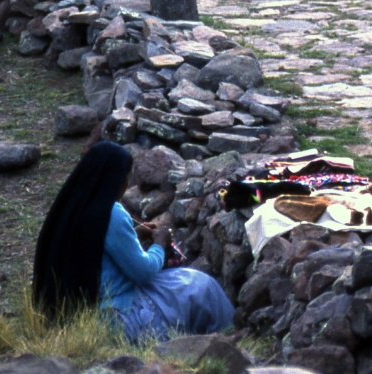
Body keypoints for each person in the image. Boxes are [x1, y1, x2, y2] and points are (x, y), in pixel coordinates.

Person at [33, 141, 233, 342]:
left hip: (77, 316)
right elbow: (143, 272)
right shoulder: (112, 213)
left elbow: (93, 246)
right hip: (117, 318)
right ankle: (226, 340)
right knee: (202, 286)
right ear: (116, 178)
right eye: (126, 177)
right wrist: (159, 244)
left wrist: (135, 234)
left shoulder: (72, 207)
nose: (126, 185)